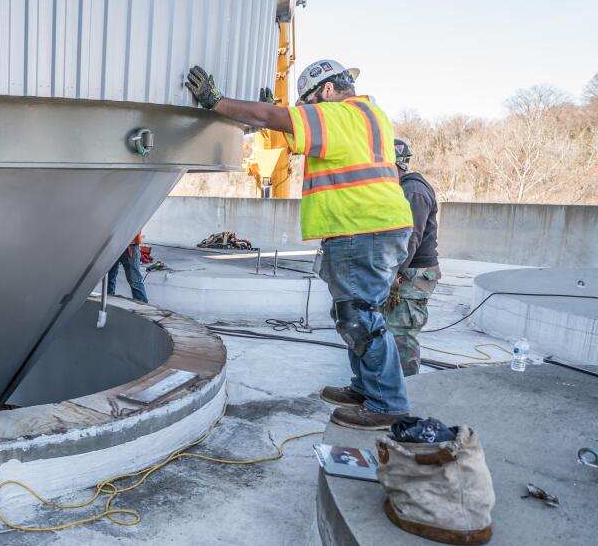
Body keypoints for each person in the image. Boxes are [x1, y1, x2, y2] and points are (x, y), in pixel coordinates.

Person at [186, 60, 413, 430]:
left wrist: (218, 102)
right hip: (372, 227)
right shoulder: (367, 116)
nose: (304, 111)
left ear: (325, 91)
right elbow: (292, 136)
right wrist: (271, 121)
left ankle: (387, 403)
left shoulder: (339, 113)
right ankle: (366, 388)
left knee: (360, 317)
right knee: (353, 315)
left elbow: (280, 119)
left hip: (362, 228)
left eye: (306, 102)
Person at [384, 138, 440, 376]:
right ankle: (390, 385)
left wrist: (395, 272)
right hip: (406, 270)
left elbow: (411, 237)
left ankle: (405, 390)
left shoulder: (414, 191)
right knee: (391, 330)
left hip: (413, 274)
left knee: (402, 334)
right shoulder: (402, 189)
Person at [108, 230, 148, 303]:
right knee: (109, 279)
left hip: (130, 245)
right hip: (112, 244)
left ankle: (142, 308)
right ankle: (107, 304)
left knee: (134, 281)